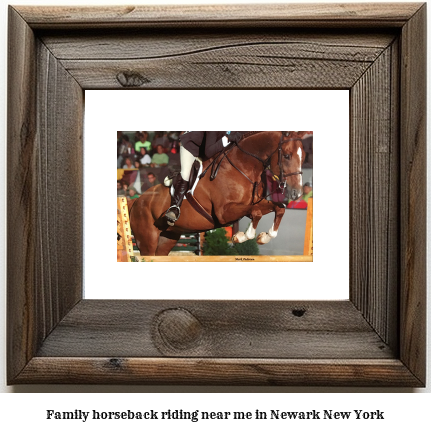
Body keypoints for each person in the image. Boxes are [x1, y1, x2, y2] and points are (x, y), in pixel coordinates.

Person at [165, 131, 232, 225]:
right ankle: (174, 208)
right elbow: (209, 151)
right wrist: (228, 139)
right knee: (186, 173)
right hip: (192, 146)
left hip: (210, 149)